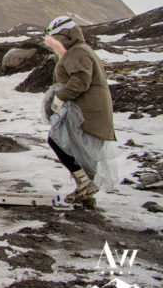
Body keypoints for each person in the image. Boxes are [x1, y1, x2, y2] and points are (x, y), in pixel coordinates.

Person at [42, 16, 118, 204]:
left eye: (55, 40)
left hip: (86, 112)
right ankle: (85, 189)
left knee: (58, 140)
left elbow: (80, 81)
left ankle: (84, 184)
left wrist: (60, 97)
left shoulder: (78, 52)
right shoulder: (79, 51)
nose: (53, 45)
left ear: (65, 36)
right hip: (88, 110)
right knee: (76, 148)